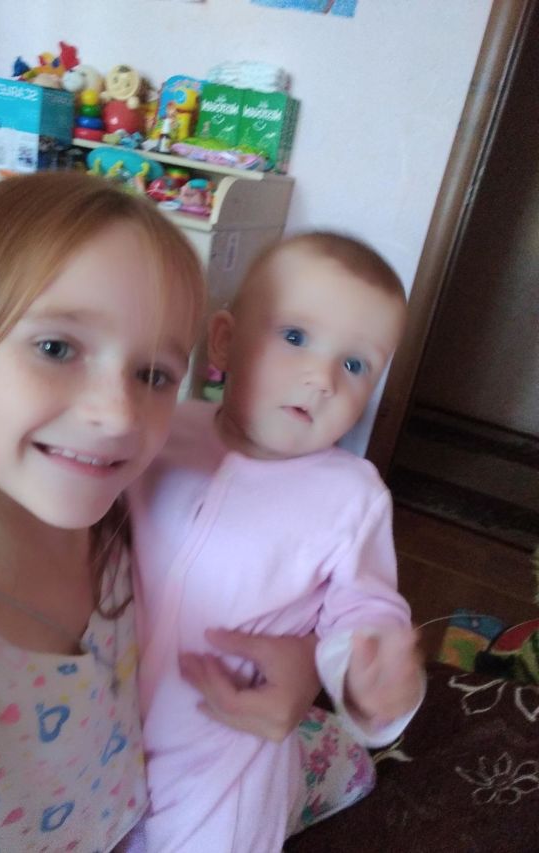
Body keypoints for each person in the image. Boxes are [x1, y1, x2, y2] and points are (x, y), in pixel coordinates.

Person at [0, 171, 209, 852]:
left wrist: (298, 666)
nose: (118, 414)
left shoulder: (136, 527)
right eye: (56, 348)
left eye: (153, 375)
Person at [130, 232, 426, 852]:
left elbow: (366, 609)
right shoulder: (164, 432)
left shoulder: (351, 496)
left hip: (223, 760)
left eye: (354, 365)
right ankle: (327, 766)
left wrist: (374, 678)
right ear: (224, 341)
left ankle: (326, 768)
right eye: (295, 336)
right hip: (107, 729)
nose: (322, 379)